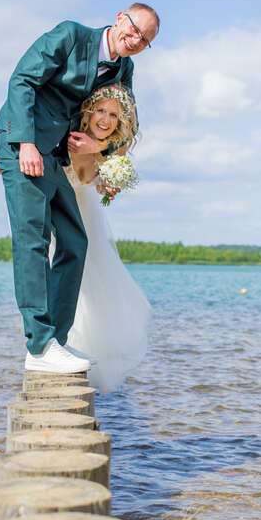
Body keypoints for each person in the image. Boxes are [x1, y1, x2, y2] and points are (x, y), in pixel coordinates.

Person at [0, 5, 159, 375]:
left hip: (57, 155)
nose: (135, 41)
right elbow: (22, 80)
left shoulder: (123, 68)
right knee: (33, 240)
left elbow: (127, 124)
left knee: (74, 241)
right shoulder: (70, 35)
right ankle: (38, 345)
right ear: (120, 18)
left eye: (145, 41)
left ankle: (57, 342)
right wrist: (24, 143)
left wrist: (99, 150)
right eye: (134, 30)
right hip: (26, 146)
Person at [59, 82, 152, 392]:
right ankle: (58, 344)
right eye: (100, 110)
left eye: (113, 114)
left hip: (88, 214)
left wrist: (110, 183)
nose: (106, 119)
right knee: (61, 273)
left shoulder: (115, 146)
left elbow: (103, 183)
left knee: (93, 283)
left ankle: (80, 348)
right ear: (89, 110)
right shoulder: (70, 134)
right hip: (60, 207)